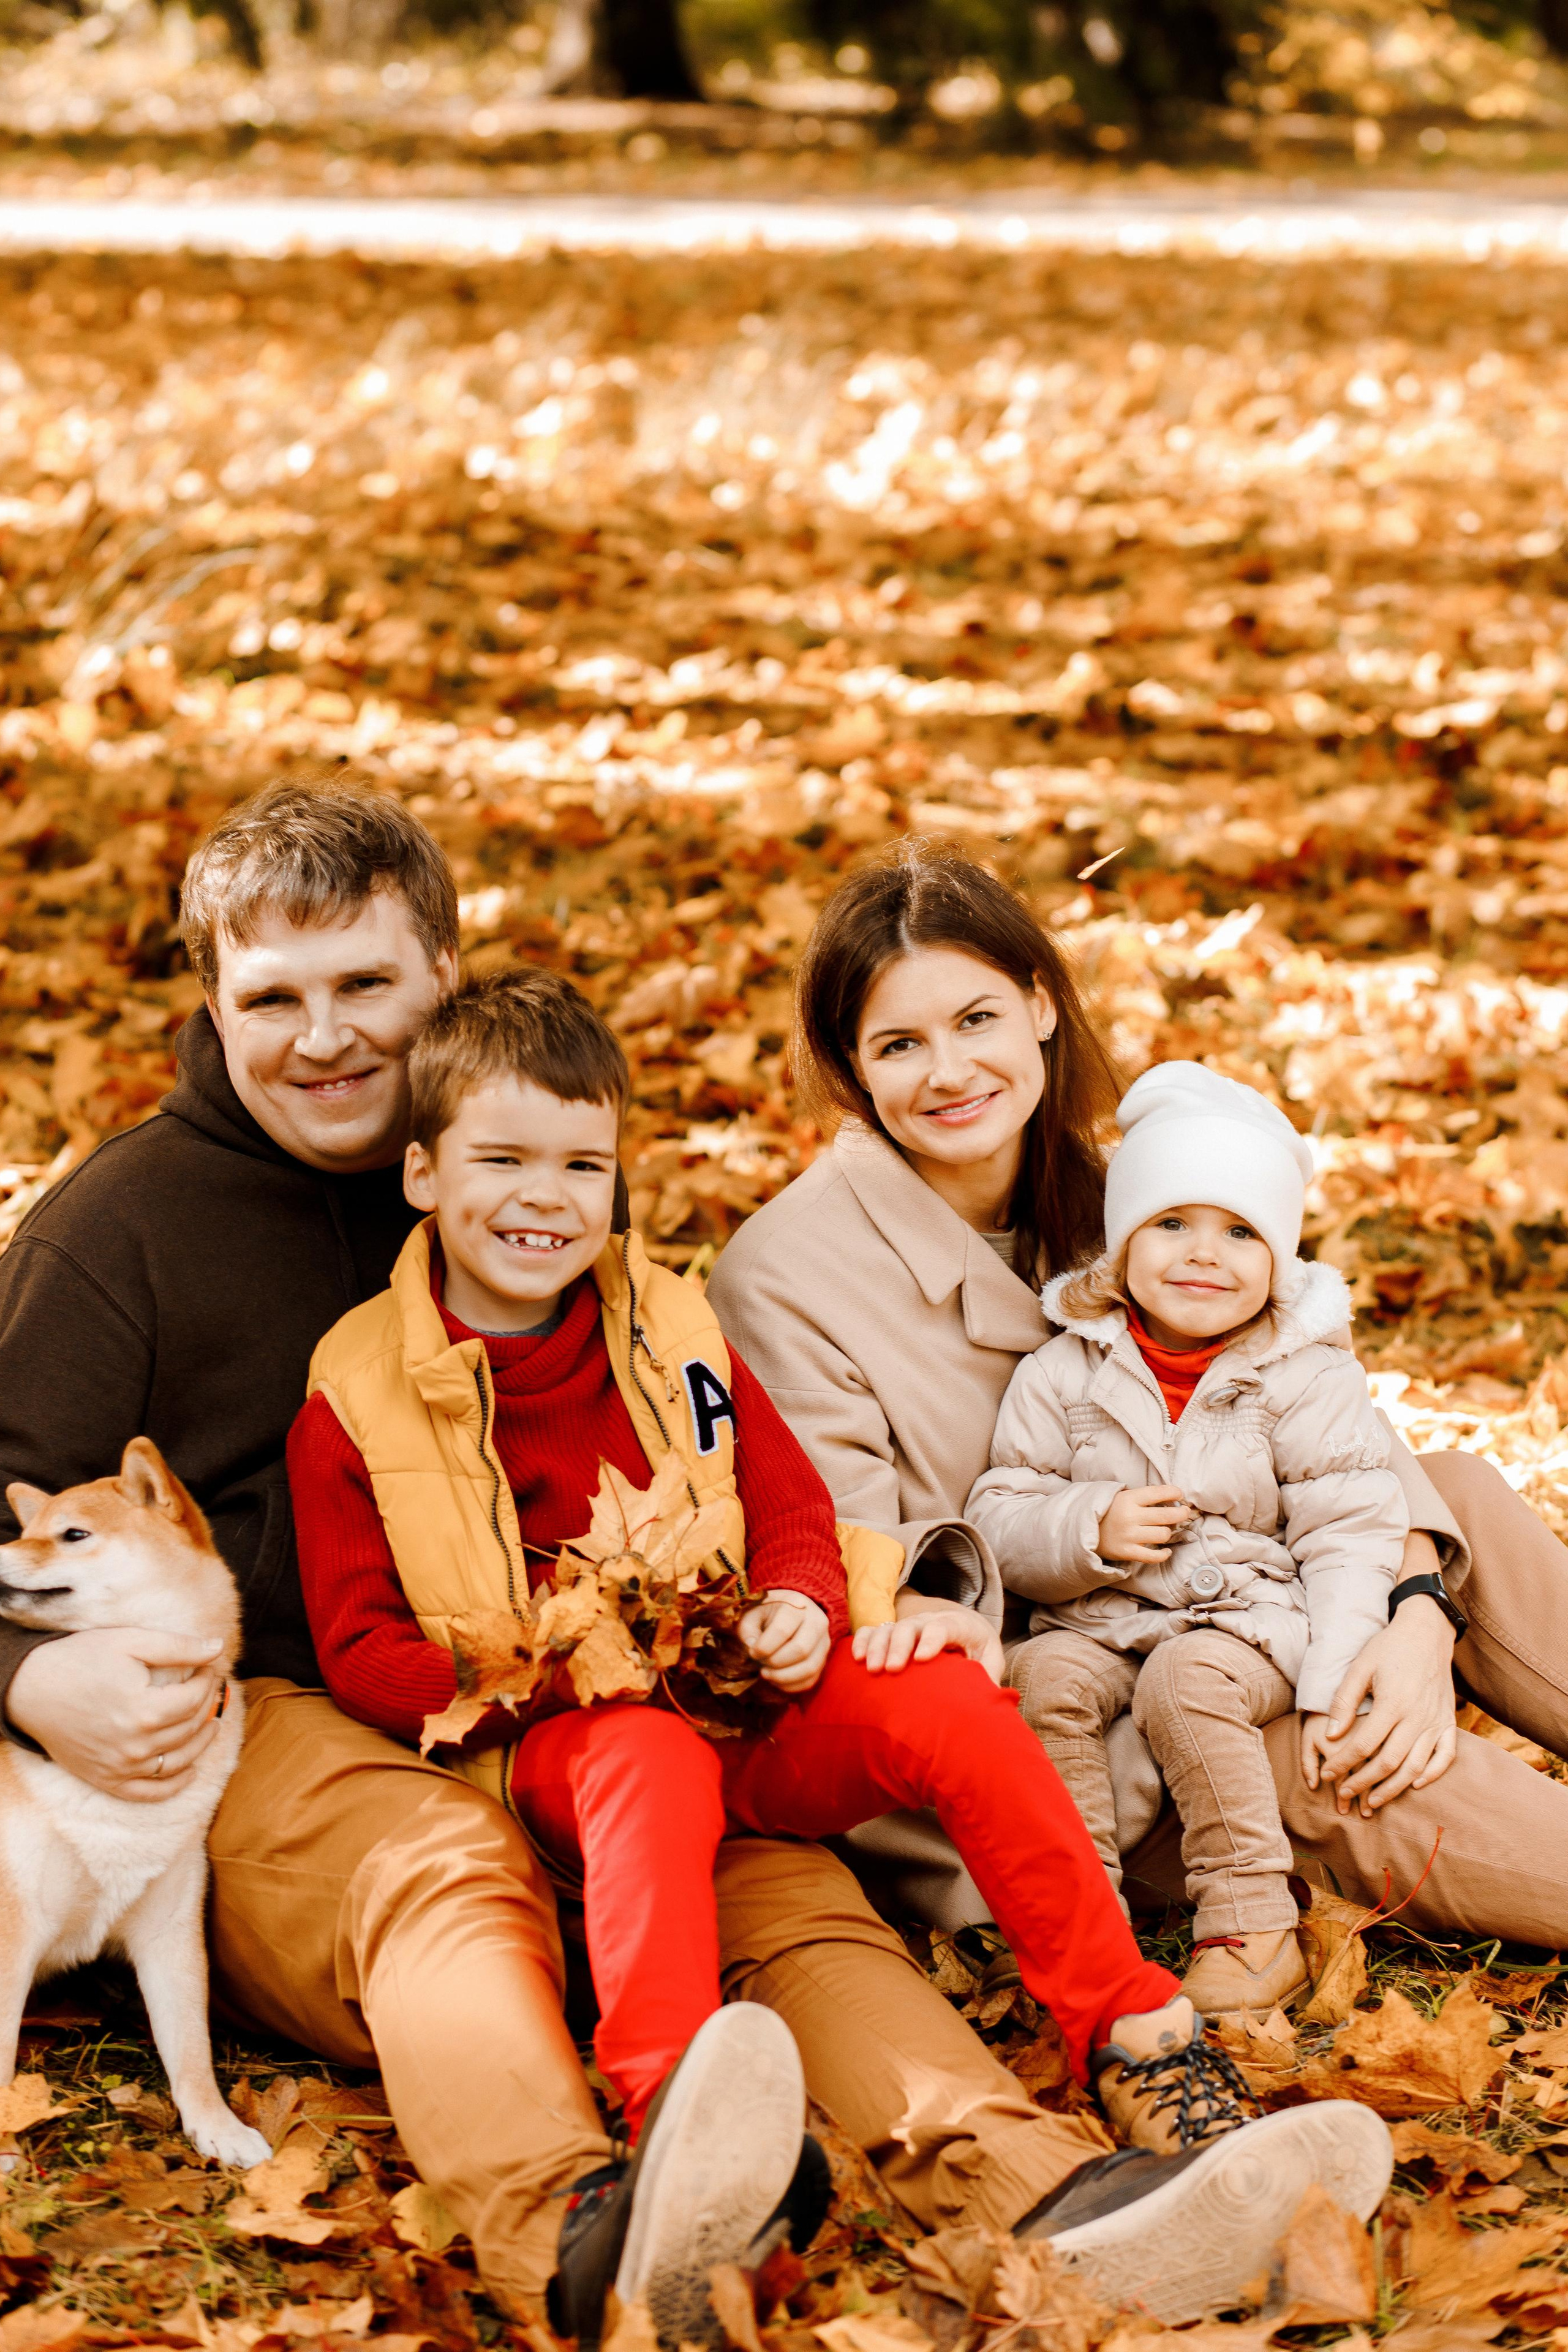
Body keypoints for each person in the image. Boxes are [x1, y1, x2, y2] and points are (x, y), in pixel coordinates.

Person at [0, 779, 1378, 2337]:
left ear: (441, 981)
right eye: (275, 999)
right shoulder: (115, 1236)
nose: (326, 1038)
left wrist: (777, 1612)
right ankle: (590, 2227)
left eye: (366, 986)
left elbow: (711, 1444)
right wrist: (41, 1675)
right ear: (211, 1002)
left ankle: (1051, 2199)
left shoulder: (537, 1170)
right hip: (288, 1706)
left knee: (775, 1889)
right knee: (450, 1884)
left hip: (629, 1704)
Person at [288, 967, 1393, 2331]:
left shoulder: (666, 1322)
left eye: (582, 1163)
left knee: (939, 1688)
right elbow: (363, 1657)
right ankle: (680, 2129)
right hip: (553, 1751)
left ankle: (1129, 2031)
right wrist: (571, 1669)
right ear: (420, 1172)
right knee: (643, 1753)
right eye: (500, 1160)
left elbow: (790, 1502)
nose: (543, 1199)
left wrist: (805, 1602)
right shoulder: (356, 1390)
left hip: (735, 1703)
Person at [707, 837, 1568, 1952]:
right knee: (1309, 1750)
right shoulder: (784, 1278)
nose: (952, 1071)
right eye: (900, 1043)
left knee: (1452, 1490)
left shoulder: (1125, 1208)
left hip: (1247, 1605)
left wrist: (1413, 1615)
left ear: (1040, 1008)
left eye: (977, 1020)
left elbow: (1326, 1426)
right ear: (852, 1067)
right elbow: (850, 1573)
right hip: (1093, 1708)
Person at [968, 1062, 1409, 2019]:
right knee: (1041, 1681)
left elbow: (1350, 1526)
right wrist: (1087, 1525)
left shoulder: (1305, 1376)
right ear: (1121, 1246)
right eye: (1171, 1224)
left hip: (1249, 1623)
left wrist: (1333, 1674)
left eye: (1241, 1232)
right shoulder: (1063, 1368)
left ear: (1280, 1260)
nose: (1203, 1255)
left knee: (1187, 1681)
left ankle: (1250, 1923)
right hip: (1099, 1619)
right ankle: (1071, 1922)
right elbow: (1000, 1505)